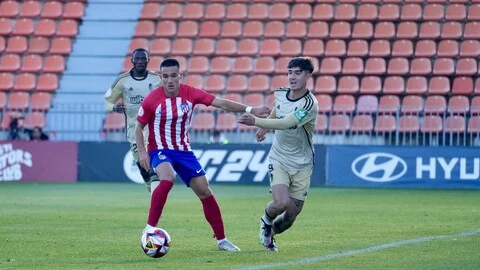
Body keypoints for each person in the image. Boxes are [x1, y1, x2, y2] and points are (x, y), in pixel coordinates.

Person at [135, 58, 270, 252]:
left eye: (174, 76)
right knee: (167, 178)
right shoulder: (152, 100)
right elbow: (138, 127)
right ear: (160, 77)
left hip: (184, 151)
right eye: (165, 76)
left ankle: (222, 240)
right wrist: (142, 152)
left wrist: (251, 110)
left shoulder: (191, 93)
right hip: (160, 149)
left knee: (205, 192)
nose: (170, 80)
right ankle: (149, 229)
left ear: (180, 75)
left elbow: (221, 103)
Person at [237, 57, 318, 252]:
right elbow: (277, 110)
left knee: (292, 214)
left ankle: (271, 233)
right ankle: (265, 220)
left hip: (302, 163)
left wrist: (257, 122)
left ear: (307, 75)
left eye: (297, 73)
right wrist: (264, 129)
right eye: (290, 72)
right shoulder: (281, 93)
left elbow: (287, 123)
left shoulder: (309, 104)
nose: (292, 77)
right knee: (281, 203)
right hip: (279, 158)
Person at [104, 48, 162, 192]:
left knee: (153, 165)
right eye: (138, 59)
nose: (141, 61)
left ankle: (156, 190)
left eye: (144, 59)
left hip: (153, 127)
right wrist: (113, 108)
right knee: (143, 168)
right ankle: (151, 189)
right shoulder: (123, 81)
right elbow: (107, 101)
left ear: (148, 61)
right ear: (132, 61)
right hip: (133, 130)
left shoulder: (156, 79)